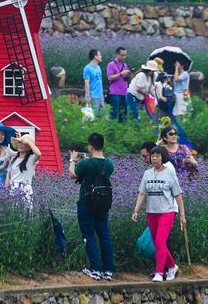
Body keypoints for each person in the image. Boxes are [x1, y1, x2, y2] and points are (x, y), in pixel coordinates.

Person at [132, 145, 185, 282]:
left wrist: (182, 216)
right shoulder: (147, 174)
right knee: (157, 243)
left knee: (160, 241)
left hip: (166, 213)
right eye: (152, 156)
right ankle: (172, 266)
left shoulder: (170, 174)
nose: (154, 158)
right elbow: (142, 193)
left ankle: (159, 273)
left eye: (157, 156)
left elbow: (178, 196)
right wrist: (136, 210)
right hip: (152, 213)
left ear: (163, 158)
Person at [69, 133, 114, 281]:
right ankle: (108, 270)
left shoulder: (86, 163)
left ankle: (95, 268)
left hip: (87, 203)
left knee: (88, 235)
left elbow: (72, 174)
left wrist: (72, 159)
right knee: (104, 235)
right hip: (103, 203)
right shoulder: (110, 164)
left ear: (90, 146)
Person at [5, 134, 42, 205]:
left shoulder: (32, 158)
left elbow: (38, 154)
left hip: (25, 190)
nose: (20, 145)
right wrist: (7, 188)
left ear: (29, 147)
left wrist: (28, 142)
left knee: (25, 213)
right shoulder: (13, 158)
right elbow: (8, 176)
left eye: (24, 144)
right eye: (19, 143)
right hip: (13, 189)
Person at [106, 47, 131, 122]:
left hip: (124, 92)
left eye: (125, 55)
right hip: (115, 92)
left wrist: (129, 74)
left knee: (123, 114)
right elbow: (110, 78)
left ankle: (122, 131)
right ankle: (111, 130)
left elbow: (125, 78)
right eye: (122, 55)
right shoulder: (111, 65)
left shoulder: (125, 65)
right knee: (114, 113)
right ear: (117, 54)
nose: (124, 57)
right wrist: (120, 74)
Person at [83, 49, 104, 118]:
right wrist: (87, 95)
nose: (101, 56)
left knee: (101, 115)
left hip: (100, 95)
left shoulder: (98, 67)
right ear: (95, 56)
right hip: (93, 95)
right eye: (100, 55)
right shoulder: (87, 68)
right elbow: (86, 82)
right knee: (93, 115)